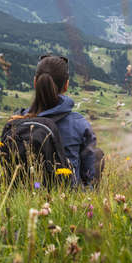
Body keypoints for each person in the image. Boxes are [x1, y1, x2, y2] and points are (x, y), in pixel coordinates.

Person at [12, 54, 101, 186]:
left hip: (24, 195)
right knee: (98, 155)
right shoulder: (79, 124)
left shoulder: (16, 122)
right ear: (66, 85)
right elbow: (89, 173)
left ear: (35, 82)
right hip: (67, 199)